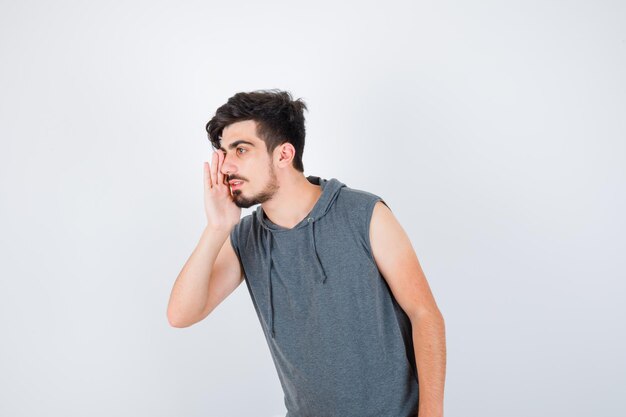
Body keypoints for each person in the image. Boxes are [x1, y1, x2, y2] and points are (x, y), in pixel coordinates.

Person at [167, 89, 446, 417]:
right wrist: (216, 229)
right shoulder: (246, 236)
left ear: (284, 154)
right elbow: (181, 315)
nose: (226, 166)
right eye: (224, 152)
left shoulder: (364, 214)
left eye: (241, 150)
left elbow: (425, 314)